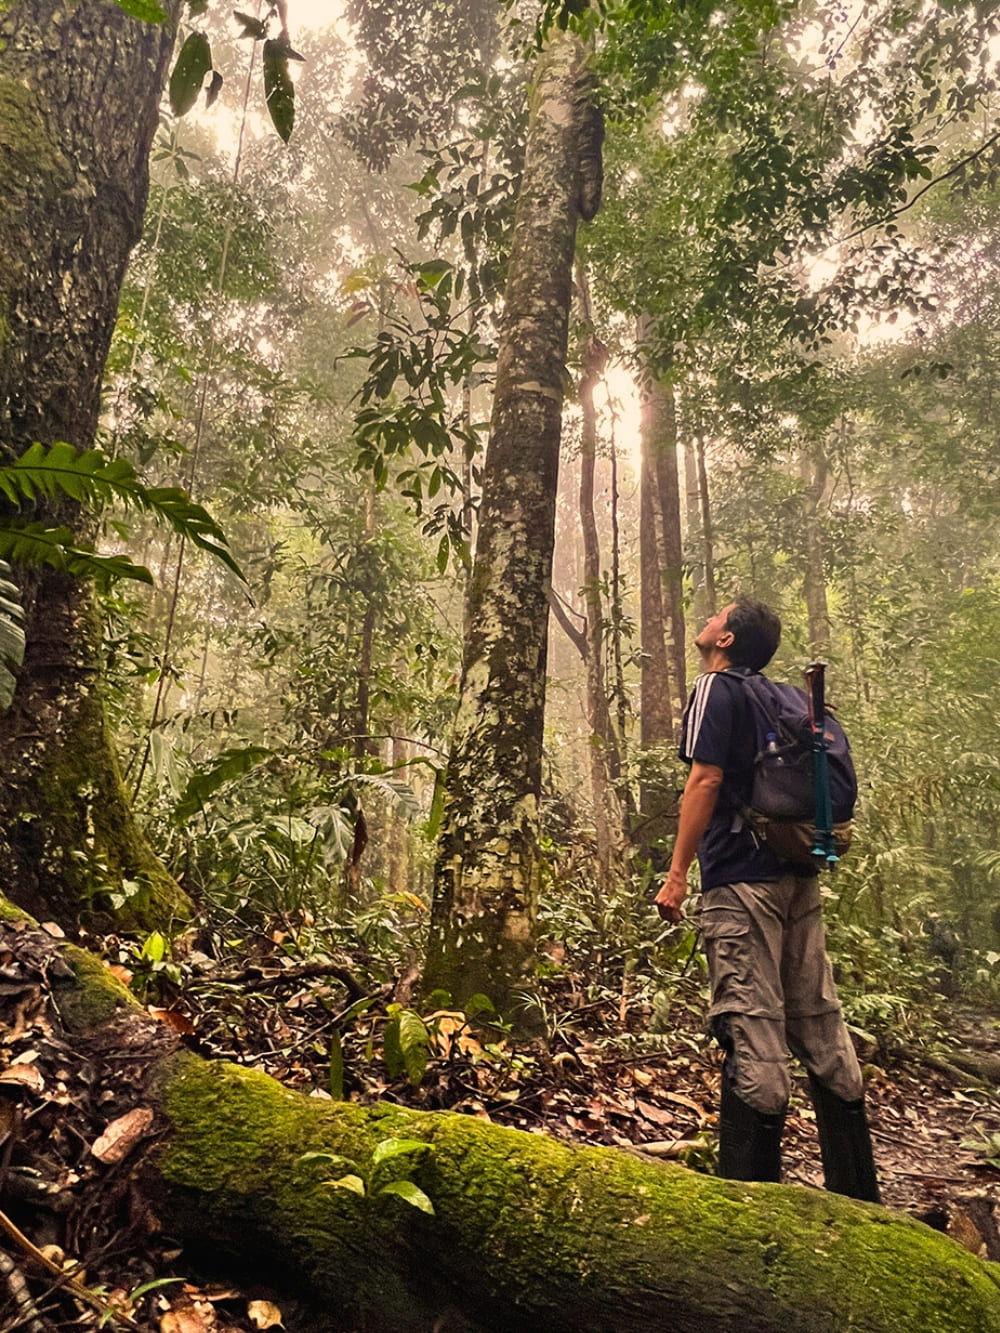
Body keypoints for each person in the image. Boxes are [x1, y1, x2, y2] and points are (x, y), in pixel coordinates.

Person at [654, 597, 879, 1201]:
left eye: (716, 615)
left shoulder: (716, 689)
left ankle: (750, 1208)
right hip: (798, 875)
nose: (706, 618)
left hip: (740, 879)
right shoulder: (784, 698)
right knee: (819, 1020)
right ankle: (858, 1199)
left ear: (726, 640)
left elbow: (705, 779)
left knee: (752, 1027)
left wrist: (677, 874)